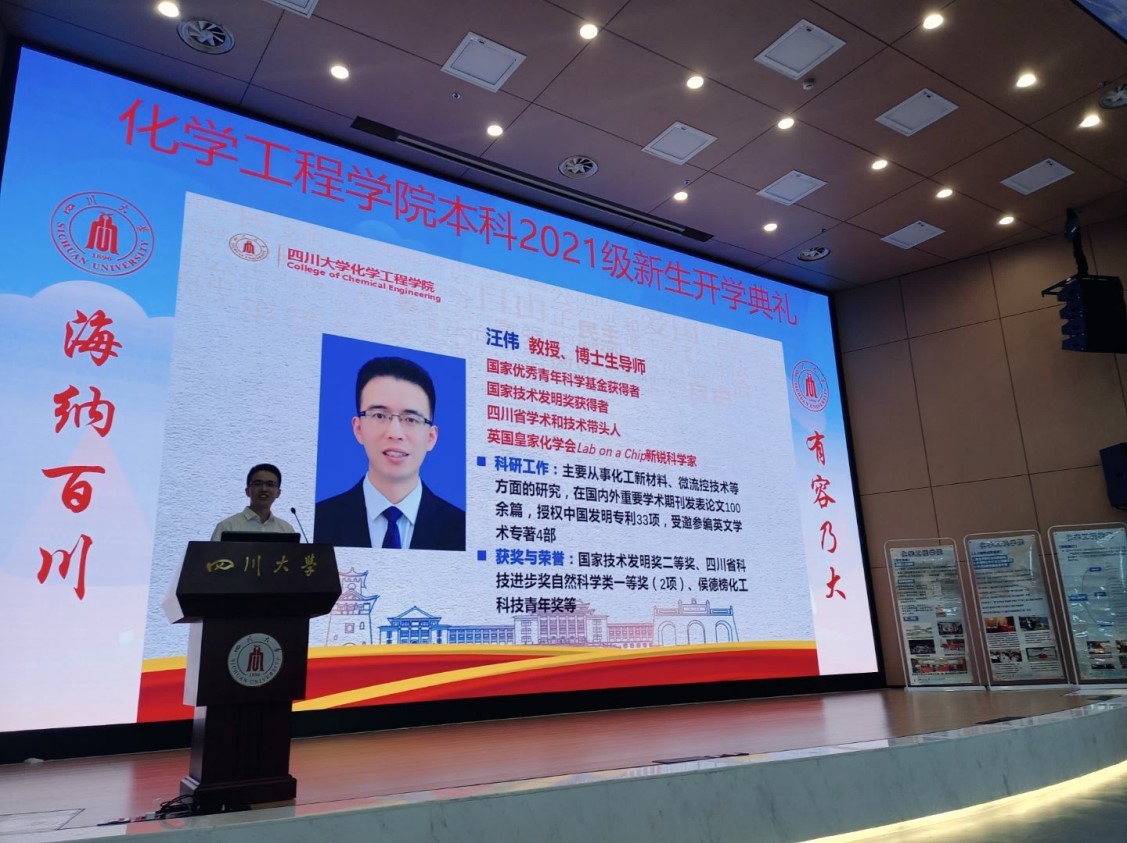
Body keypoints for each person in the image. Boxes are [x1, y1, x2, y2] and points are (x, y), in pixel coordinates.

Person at [315, 356, 465, 550]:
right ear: (358, 429)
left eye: (411, 419)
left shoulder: (462, 529)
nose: (395, 433)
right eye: (379, 415)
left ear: (431, 437)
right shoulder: (319, 520)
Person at [210, 463, 296, 540]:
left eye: (270, 484)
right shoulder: (227, 526)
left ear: (278, 493)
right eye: (257, 484)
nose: (264, 489)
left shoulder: (286, 530)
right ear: (247, 491)